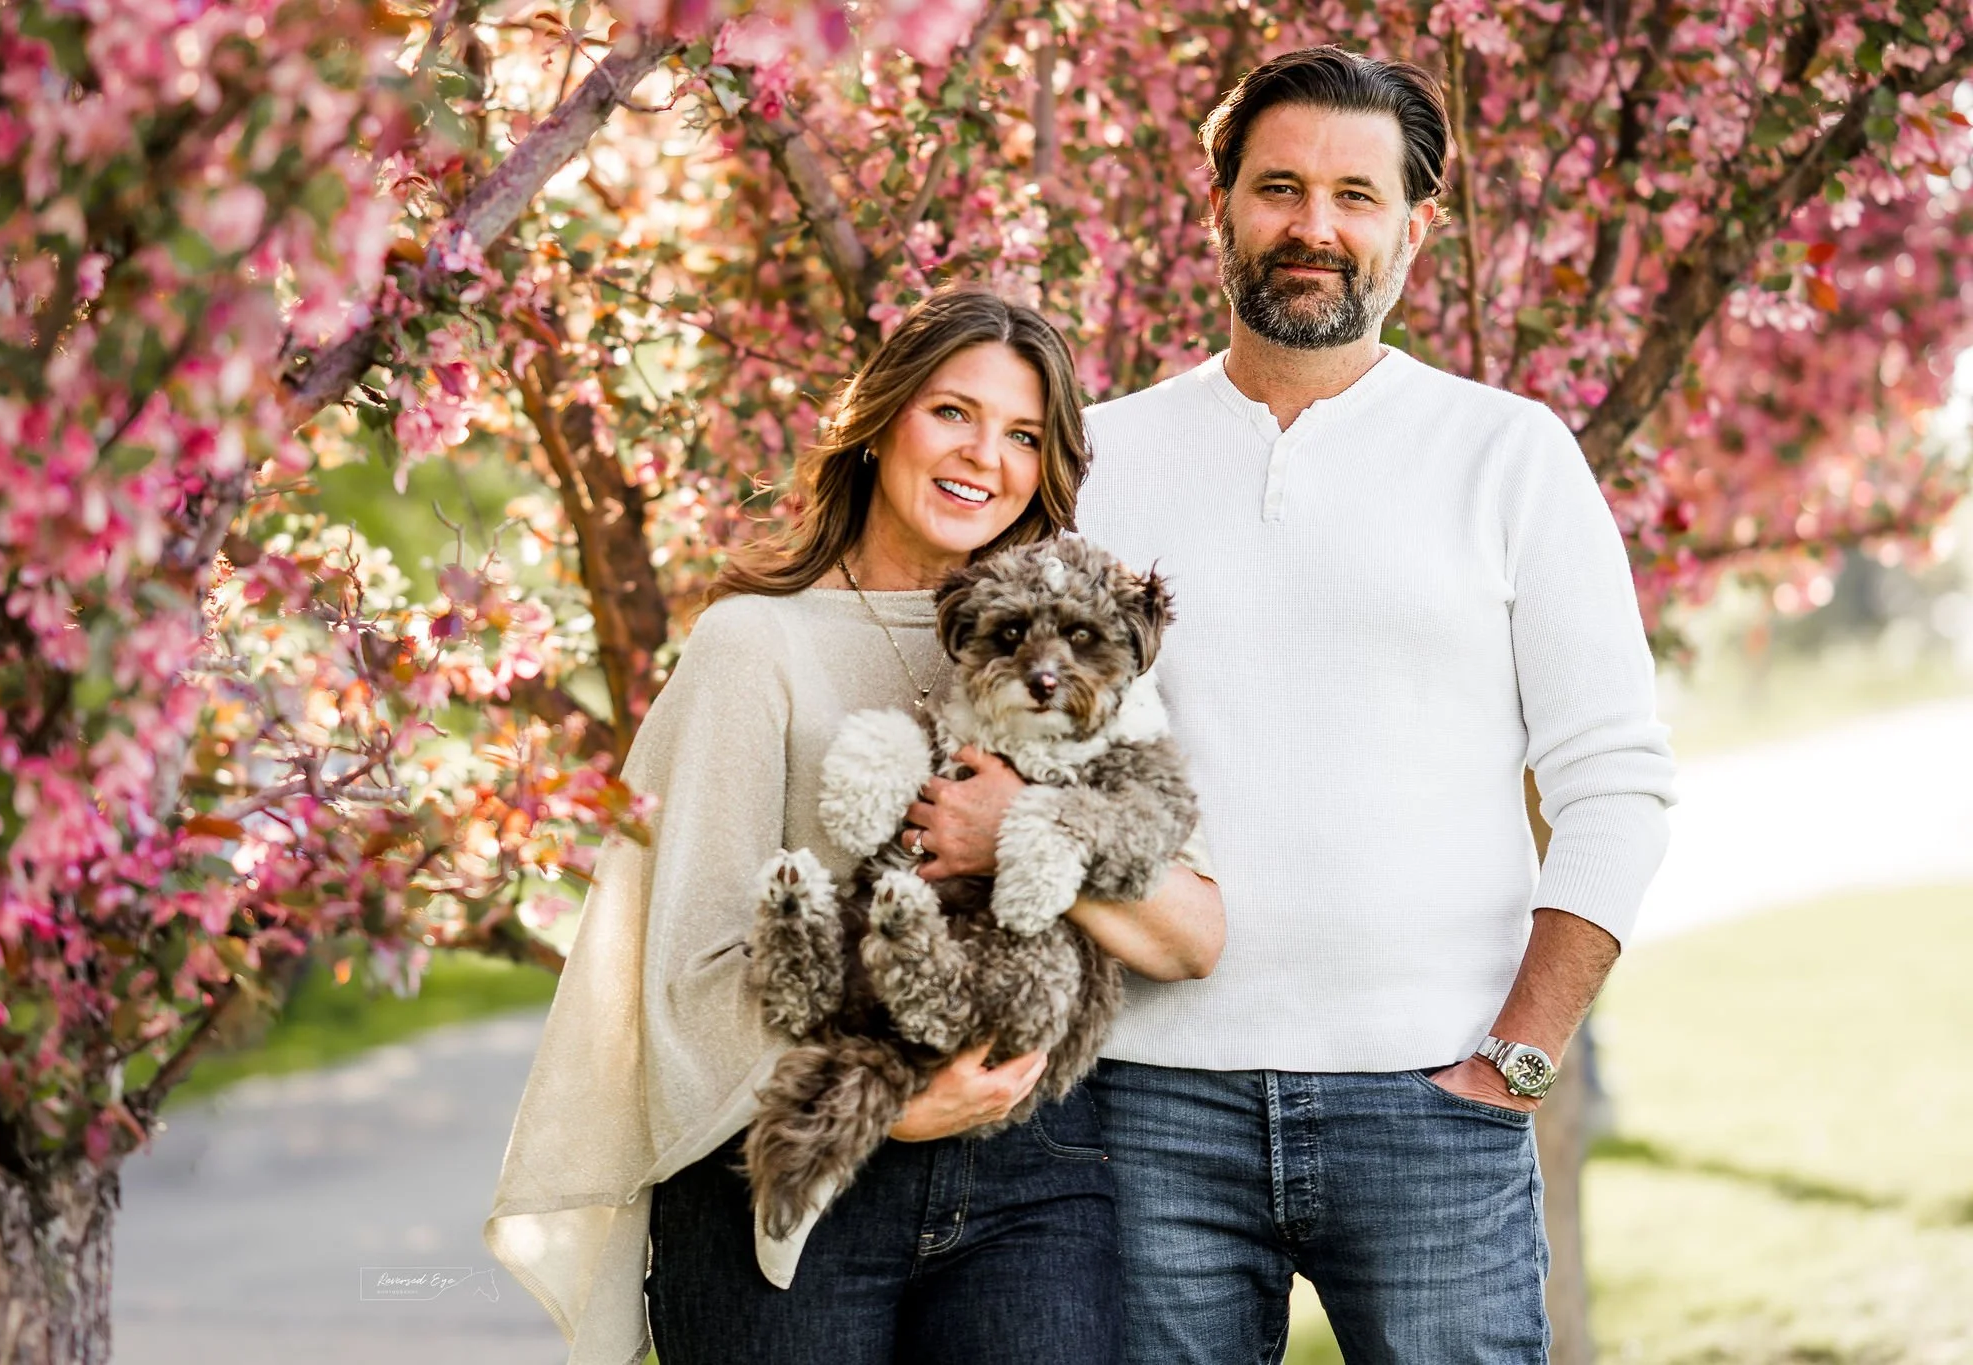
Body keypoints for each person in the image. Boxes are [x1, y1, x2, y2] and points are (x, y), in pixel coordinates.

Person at [910, 46, 1677, 1364]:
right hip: (1141, 1108)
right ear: (1217, 206)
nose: (1312, 226)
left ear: (1414, 229)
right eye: (1277, 187)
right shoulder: (1097, 460)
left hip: (1435, 1104)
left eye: (1354, 195)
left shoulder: (1510, 455)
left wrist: (1519, 1060)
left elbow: (1615, 784)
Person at [483, 287, 1225, 1365]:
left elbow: (1190, 933)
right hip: (795, 1168)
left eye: (1023, 435)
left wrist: (1016, 827)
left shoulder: (1076, 642)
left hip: (1031, 1175)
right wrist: (896, 1101)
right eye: (952, 412)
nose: (985, 457)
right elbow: (681, 972)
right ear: (879, 422)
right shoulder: (753, 646)